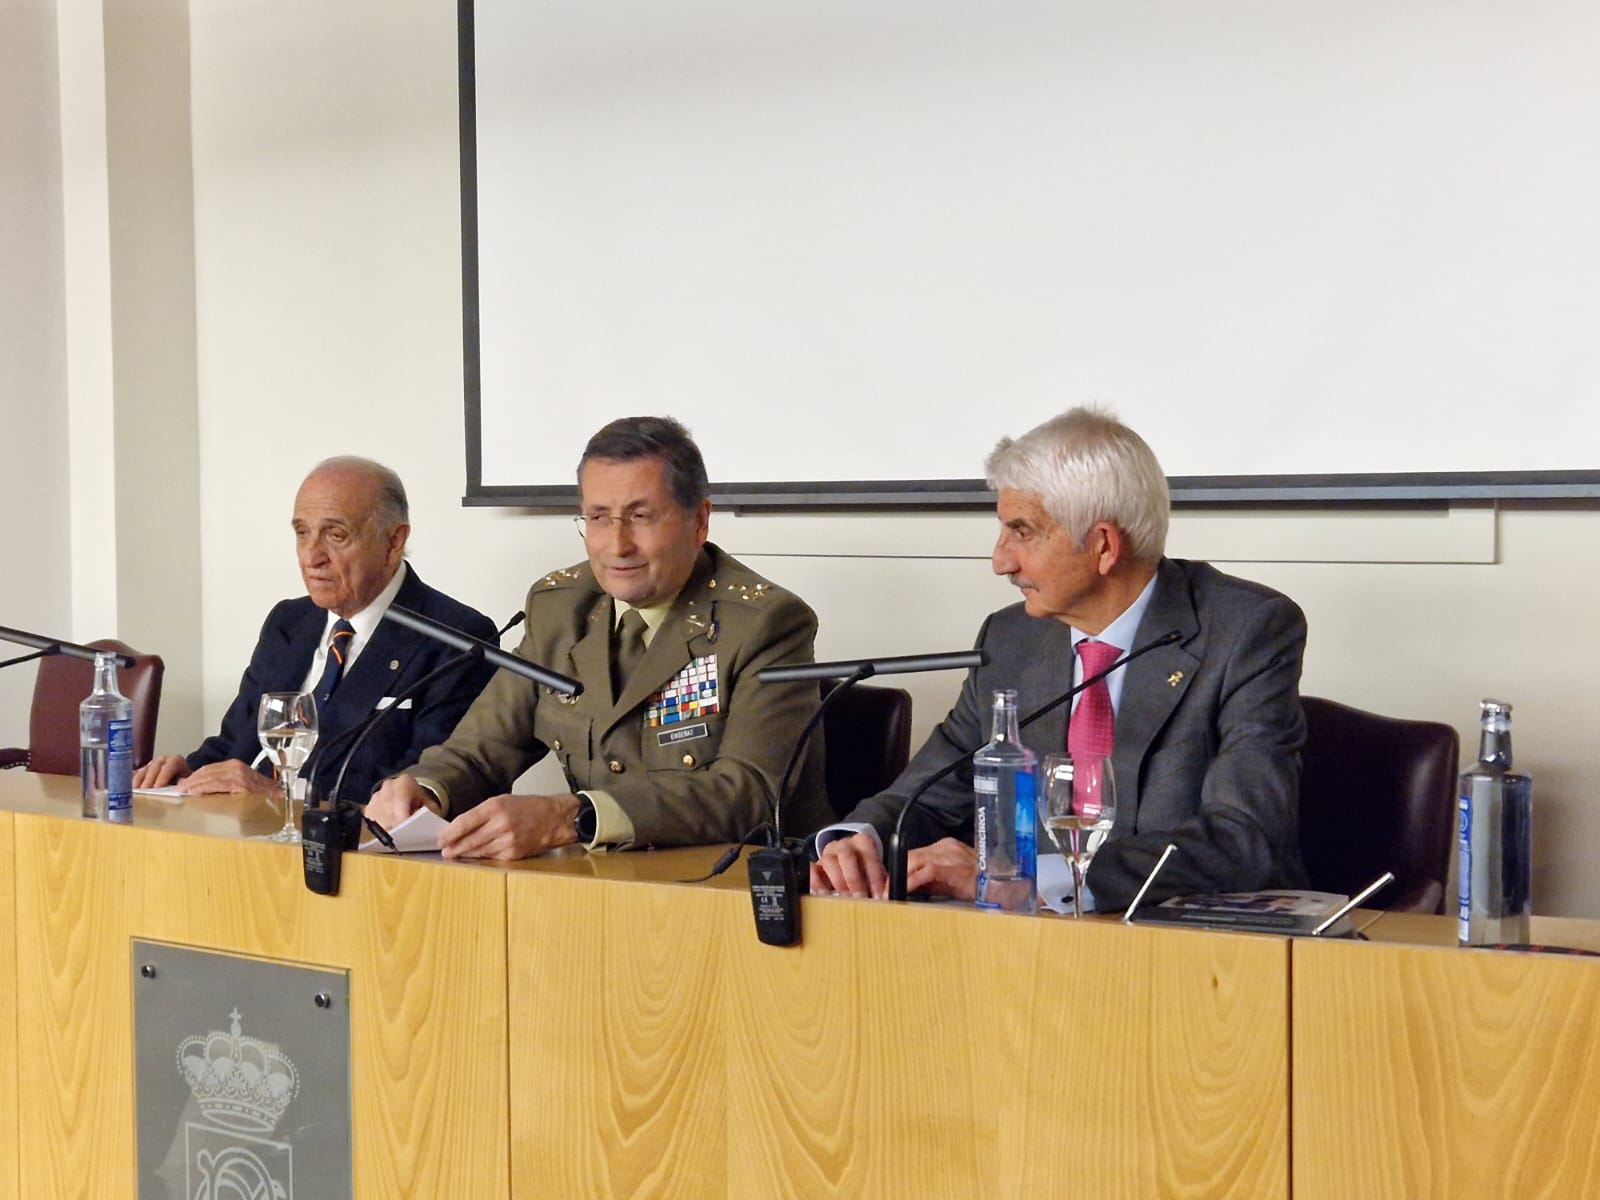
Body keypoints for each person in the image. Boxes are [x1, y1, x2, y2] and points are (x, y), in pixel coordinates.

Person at [810, 407, 1309, 911]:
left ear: (1104, 546)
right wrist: (862, 840)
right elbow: (936, 787)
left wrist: (1025, 879)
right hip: (1029, 949)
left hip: (1196, 951)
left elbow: (1243, 841)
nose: (1000, 560)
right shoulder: (1010, 638)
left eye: (1022, 532)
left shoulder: (1247, 630)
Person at [366, 416, 829, 860]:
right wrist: (425, 789)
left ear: (699, 521)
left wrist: (574, 817)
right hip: (600, 886)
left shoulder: (765, 622)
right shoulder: (560, 606)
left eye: (641, 516)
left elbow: (748, 791)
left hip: (735, 889)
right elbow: (483, 747)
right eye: (599, 517)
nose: (616, 545)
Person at [134, 457, 498, 802]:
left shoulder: (456, 638)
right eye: (302, 533)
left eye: (335, 535)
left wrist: (282, 795)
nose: (311, 556)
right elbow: (236, 744)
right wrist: (189, 770)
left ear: (393, 542)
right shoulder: (289, 622)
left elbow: (421, 787)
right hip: (248, 839)